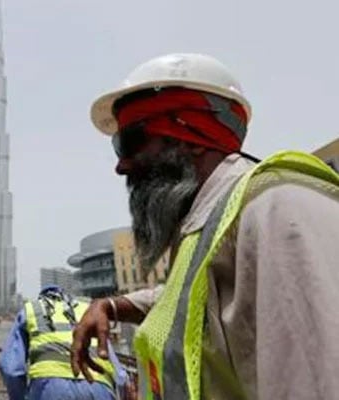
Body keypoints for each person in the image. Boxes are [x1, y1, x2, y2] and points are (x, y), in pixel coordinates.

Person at [70, 53, 339, 399]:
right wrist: (111, 306)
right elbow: (183, 301)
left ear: (188, 136)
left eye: (131, 142)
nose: (121, 166)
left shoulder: (277, 209)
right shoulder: (211, 225)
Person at [0, 284, 123, 400]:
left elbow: (10, 368)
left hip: (49, 388)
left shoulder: (31, 309)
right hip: (99, 386)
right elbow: (120, 373)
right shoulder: (89, 310)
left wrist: (19, 397)